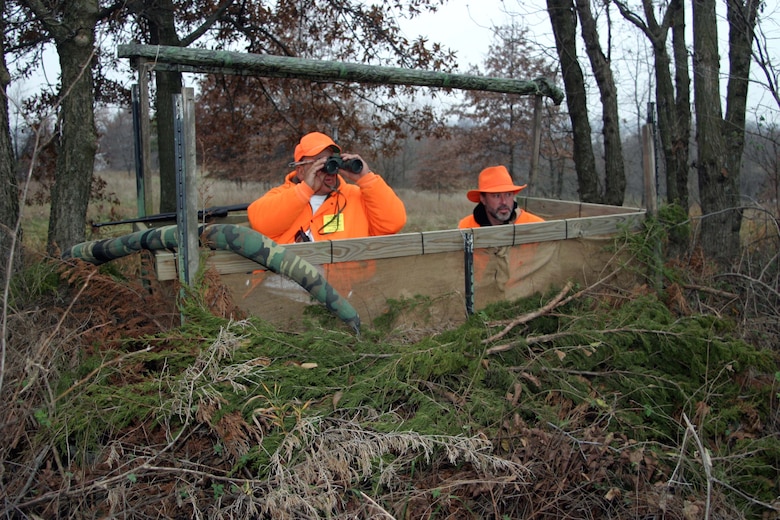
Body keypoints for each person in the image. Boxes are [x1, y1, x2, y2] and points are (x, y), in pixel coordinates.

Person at [248, 132, 406, 243]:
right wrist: (305, 190)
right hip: (286, 286)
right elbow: (261, 224)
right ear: (300, 170)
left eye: (331, 161)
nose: (327, 169)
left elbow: (393, 223)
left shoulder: (357, 197)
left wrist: (367, 179)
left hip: (346, 287)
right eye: (319, 162)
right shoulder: (283, 196)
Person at [458, 165, 544, 228]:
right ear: (483, 199)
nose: (504, 202)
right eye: (496, 196)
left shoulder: (536, 225)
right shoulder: (466, 227)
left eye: (508, 194)